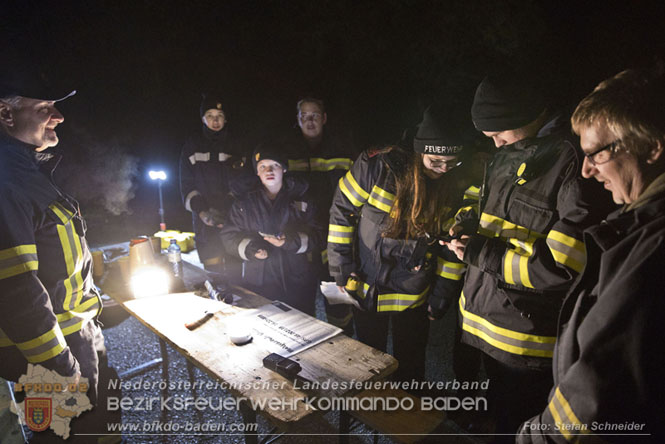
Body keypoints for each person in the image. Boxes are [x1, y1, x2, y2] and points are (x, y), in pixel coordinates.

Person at [444, 71, 613, 441]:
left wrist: (479, 251)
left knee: (521, 427)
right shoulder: (509, 153)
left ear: (523, 116)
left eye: (498, 132)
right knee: (503, 419)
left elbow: (563, 266)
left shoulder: (570, 162)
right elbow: (498, 217)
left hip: (525, 342)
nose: (494, 141)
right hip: (489, 326)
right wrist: (468, 223)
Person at [517, 67, 665, 443]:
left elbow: (599, 387)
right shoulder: (638, 229)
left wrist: (534, 438)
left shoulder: (652, 249)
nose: (585, 171)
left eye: (595, 154)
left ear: (651, 147)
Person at [328, 105, 477, 383]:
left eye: (451, 163)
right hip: (366, 283)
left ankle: (407, 415)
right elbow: (341, 210)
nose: (443, 170)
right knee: (369, 363)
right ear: (419, 151)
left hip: (413, 293)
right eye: (435, 162)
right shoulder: (377, 166)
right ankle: (371, 410)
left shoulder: (456, 184)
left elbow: (452, 247)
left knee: (410, 366)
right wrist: (340, 265)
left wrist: (442, 295)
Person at [0, 74, 112, 441]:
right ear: (6, 113)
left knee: (99, 433)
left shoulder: (25, 172)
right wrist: (59, 369)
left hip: (75, 337)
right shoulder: (5, 180)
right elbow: (15, 288)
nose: (58, 116)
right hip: (51, 357)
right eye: (45, 108)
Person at [282, 97, 359, 330]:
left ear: (324, 118)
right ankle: (307, 355)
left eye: (315, 115)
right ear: (297, 120)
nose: (310, 120)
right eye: (304, 116)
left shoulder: (343, 149)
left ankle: (343, 346)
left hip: (335, 240)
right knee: (300, 304)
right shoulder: (286, 151)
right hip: (302, 242)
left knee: (338, 302)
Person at [220, 146, 323, 315]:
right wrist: (251, 249)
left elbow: (319, 235)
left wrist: (289, 241)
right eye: (262, 167)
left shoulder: (302, 200)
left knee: (302, 326)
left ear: (284, 169)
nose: (268, 170)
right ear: (257, 173)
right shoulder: (244, 204)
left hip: (297, 280)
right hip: (258, 281)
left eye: (274, 165)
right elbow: (228, 236)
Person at [179, 93, 248, 275]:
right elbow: (186, 183)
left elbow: (245, 181)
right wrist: (202, 211)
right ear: (203, 119)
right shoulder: (192, 145)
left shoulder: (237, 144)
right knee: (214, 274)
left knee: (235, 275)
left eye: (219, 116)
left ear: (225, 119)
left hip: (233, 219)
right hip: (205, 221)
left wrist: (229, 206)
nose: (215, 120)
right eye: (210, 116)